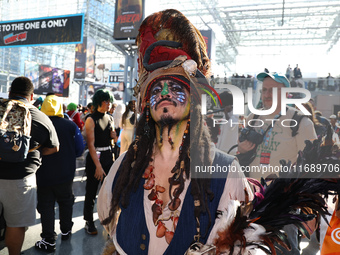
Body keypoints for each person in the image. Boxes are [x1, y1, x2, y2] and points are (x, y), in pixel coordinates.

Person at [97, 9, 251, 255]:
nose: (165, 93)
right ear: (148, 105)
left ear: (194, 103)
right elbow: (106, 213)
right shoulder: (126, 164)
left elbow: (236, 241)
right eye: (157, 89)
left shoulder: (226, 169)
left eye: (177, 88)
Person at [237, 72, 317, 255]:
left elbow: (314, 165)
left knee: (284, 251)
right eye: (265, 90)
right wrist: (242, 150)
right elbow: (239, 158)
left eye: (273, 90)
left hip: (282, 203)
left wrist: (310, 208)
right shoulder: (253, 119)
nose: (266, 94)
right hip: (251, 201)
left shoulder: (300, 122)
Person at [0, 76, 59, 255]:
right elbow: (55, 147)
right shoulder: (39, 116)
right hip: (20, 179)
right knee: (15, 224)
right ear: (31, 96)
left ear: (10, 93)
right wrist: (34, 150)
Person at [35, 95, 85, 252]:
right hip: (66, 173)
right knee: (65, 201)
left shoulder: (38, 125)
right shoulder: (70, 126)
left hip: (44, 173)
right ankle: (66, 231)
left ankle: (48, 239)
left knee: (46, 205)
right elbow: (79, 149)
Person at [83, 89, 116, 235]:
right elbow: (91, 144)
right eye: (106, 101)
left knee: (109, 191)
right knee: (91, 190)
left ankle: (108, 218)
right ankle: (89, 221)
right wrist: (98, 165)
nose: (109, 104)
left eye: (110, 101)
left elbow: (113, 141)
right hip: (95, 156)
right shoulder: (90, 119)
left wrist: (114, 136)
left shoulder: (110, 118)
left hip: (108, 155)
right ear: (98, 102)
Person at [215, 91, 239, 155]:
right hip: (221, 149)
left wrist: (226, 112)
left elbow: (231, 126)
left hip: (229, 151)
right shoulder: (227, 113)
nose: (219, 105)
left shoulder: (235, 113)